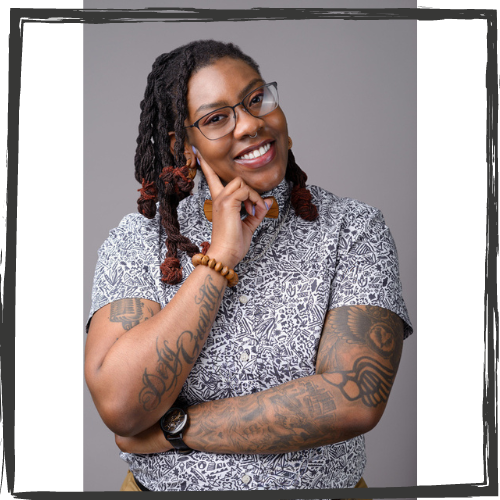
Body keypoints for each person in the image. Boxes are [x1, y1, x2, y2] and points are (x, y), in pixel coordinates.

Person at [85, 39, 413, 496]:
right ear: (184, 146)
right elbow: (122, 407)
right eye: (217, 118)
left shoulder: (351, 229)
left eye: (257, 99)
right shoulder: (139, 240)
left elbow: (354, 399)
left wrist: (175, 427)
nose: (252, 124)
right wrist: (218, 259)